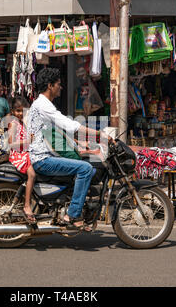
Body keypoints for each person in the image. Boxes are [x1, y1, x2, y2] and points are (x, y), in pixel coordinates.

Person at [27, 68, 113, 231]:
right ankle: (73, 215)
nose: (61, 87)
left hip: (45, 155)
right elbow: (69, 125)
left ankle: (74, 205)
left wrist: (78, 143)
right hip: (43, 159)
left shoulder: (41, 104)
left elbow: (56, 132)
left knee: (83, 162)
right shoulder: (44, 105)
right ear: (50, 85)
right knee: (86, 168)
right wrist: (100, 135)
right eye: (59, 84)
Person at [8, 97, 36, 224]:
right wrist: (27, 141)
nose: (20, 113)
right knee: (32, 174)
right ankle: (27, 205)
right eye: (18, 111)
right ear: (13, 111)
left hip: (25, 152)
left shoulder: (23, 122)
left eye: (23, 111)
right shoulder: (13, 123)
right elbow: (11, 144)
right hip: (18, 155)